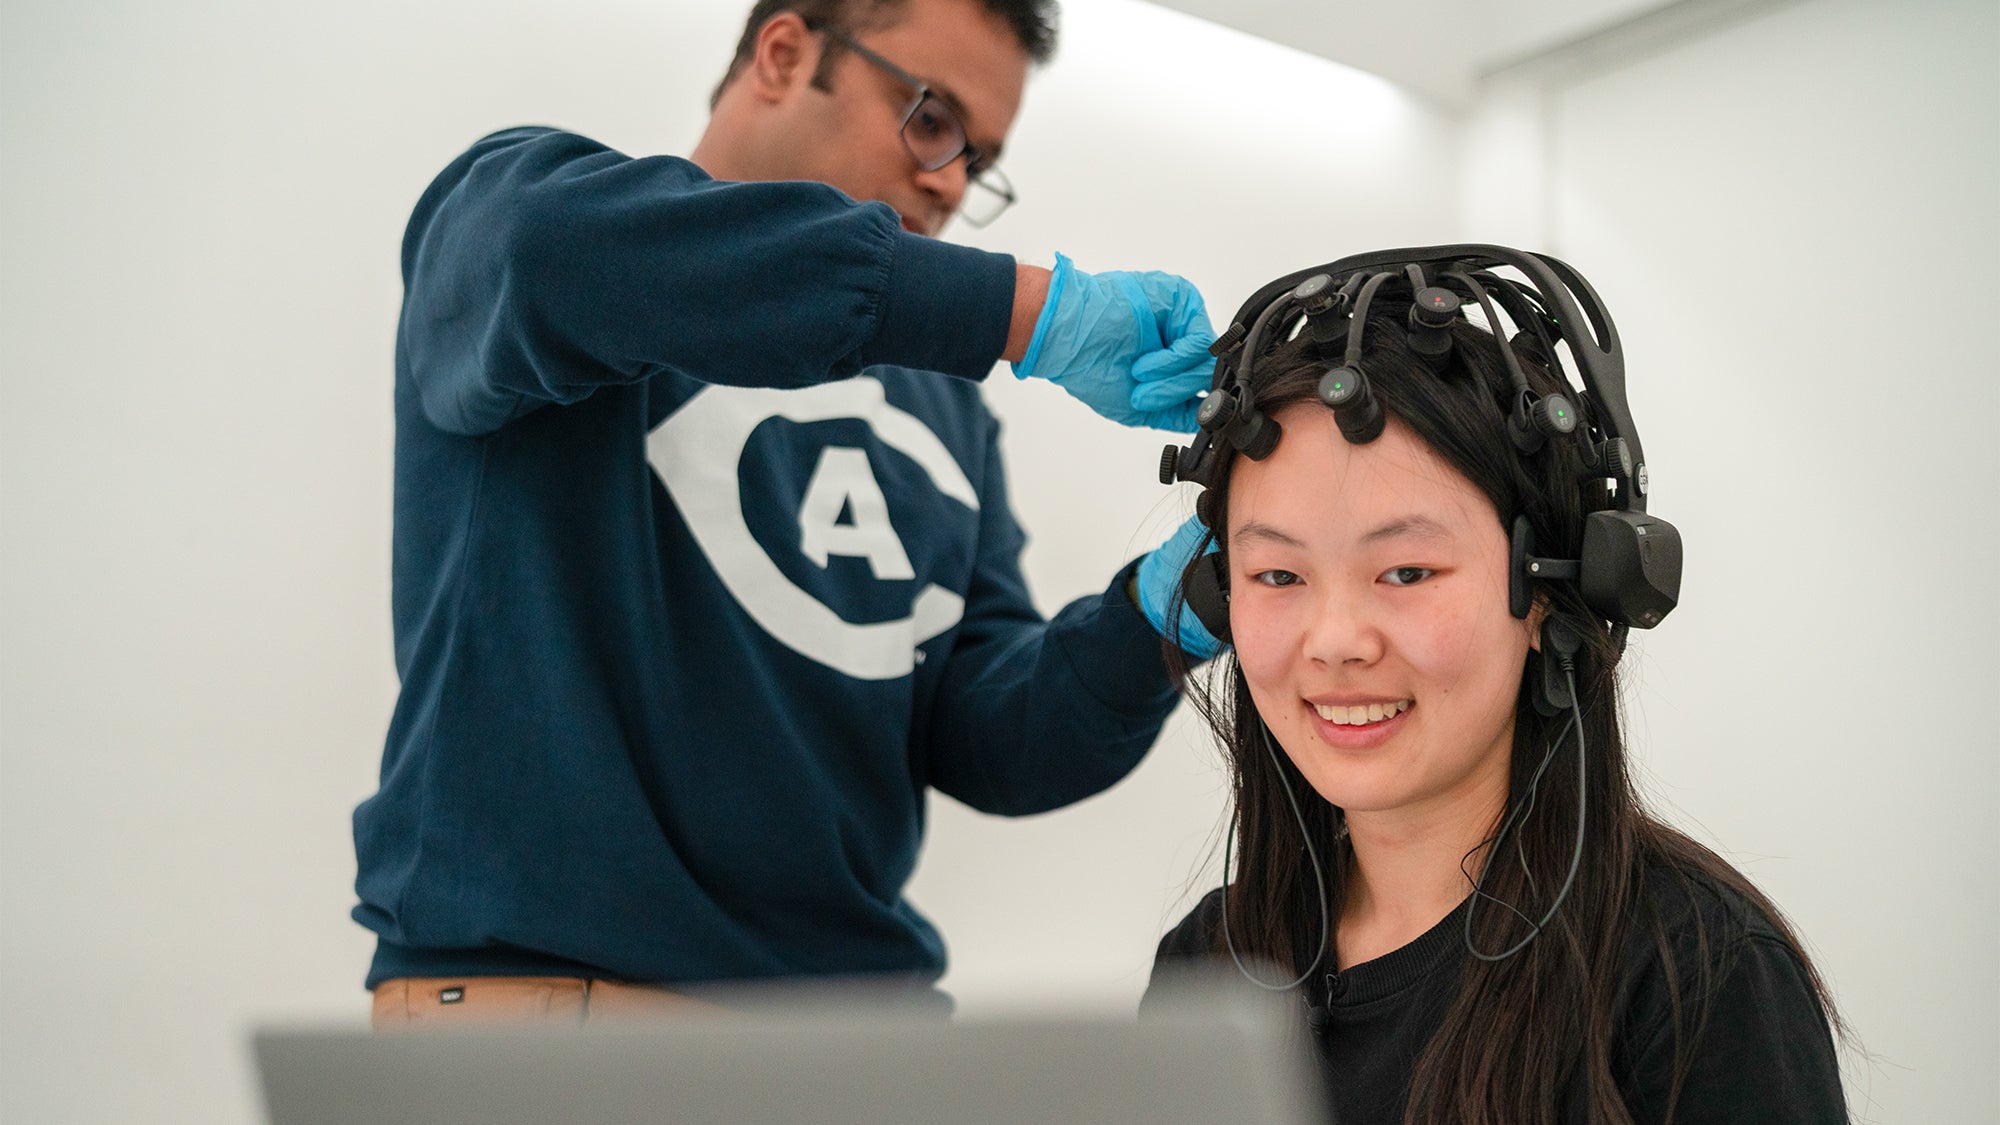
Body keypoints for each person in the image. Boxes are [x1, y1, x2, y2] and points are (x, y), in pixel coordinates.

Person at [353, 0, 1223, 1028]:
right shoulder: (521, 229)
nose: (947, 180)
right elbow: (545, 255)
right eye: (931, 120)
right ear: (782, 53)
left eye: (976, 157)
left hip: (857, 1036)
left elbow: (987, 735)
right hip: (556, 1016)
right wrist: (1024, 312)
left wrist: (1168, 615)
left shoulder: (940, 407)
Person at [1143, 248, 1846, 1122]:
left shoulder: (1692, 973)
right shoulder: (1208, 966)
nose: (1333, 643)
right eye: (1278, 577)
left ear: (1556, 593)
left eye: (1405, 572)